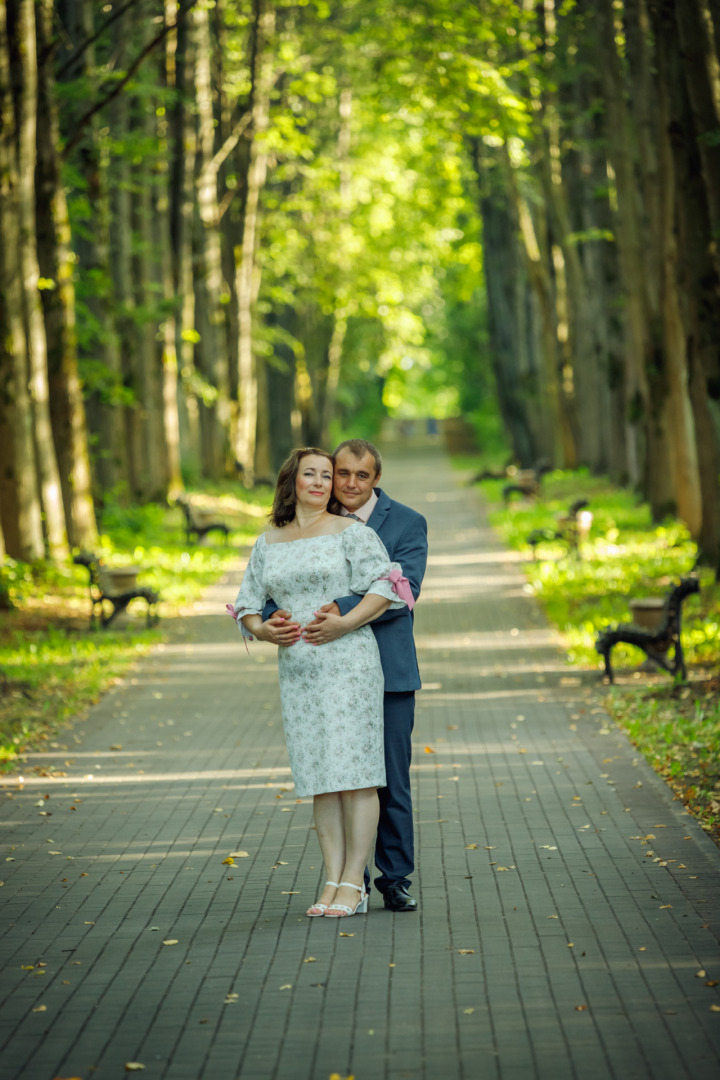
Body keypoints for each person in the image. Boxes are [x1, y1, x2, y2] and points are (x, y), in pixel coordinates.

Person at [230, 447, 412, 919]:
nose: (320, 481)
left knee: (356, 776)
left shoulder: (353, 532)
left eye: (327, 475)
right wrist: (263, 630)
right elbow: (248, 603)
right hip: (299, 671)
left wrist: (345, 624)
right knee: (322, 779)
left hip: (349, 664)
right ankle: (331, 878)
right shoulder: (267, 540)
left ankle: (356, 881)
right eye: (309, 473)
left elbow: (386, 587)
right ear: (291, 481)